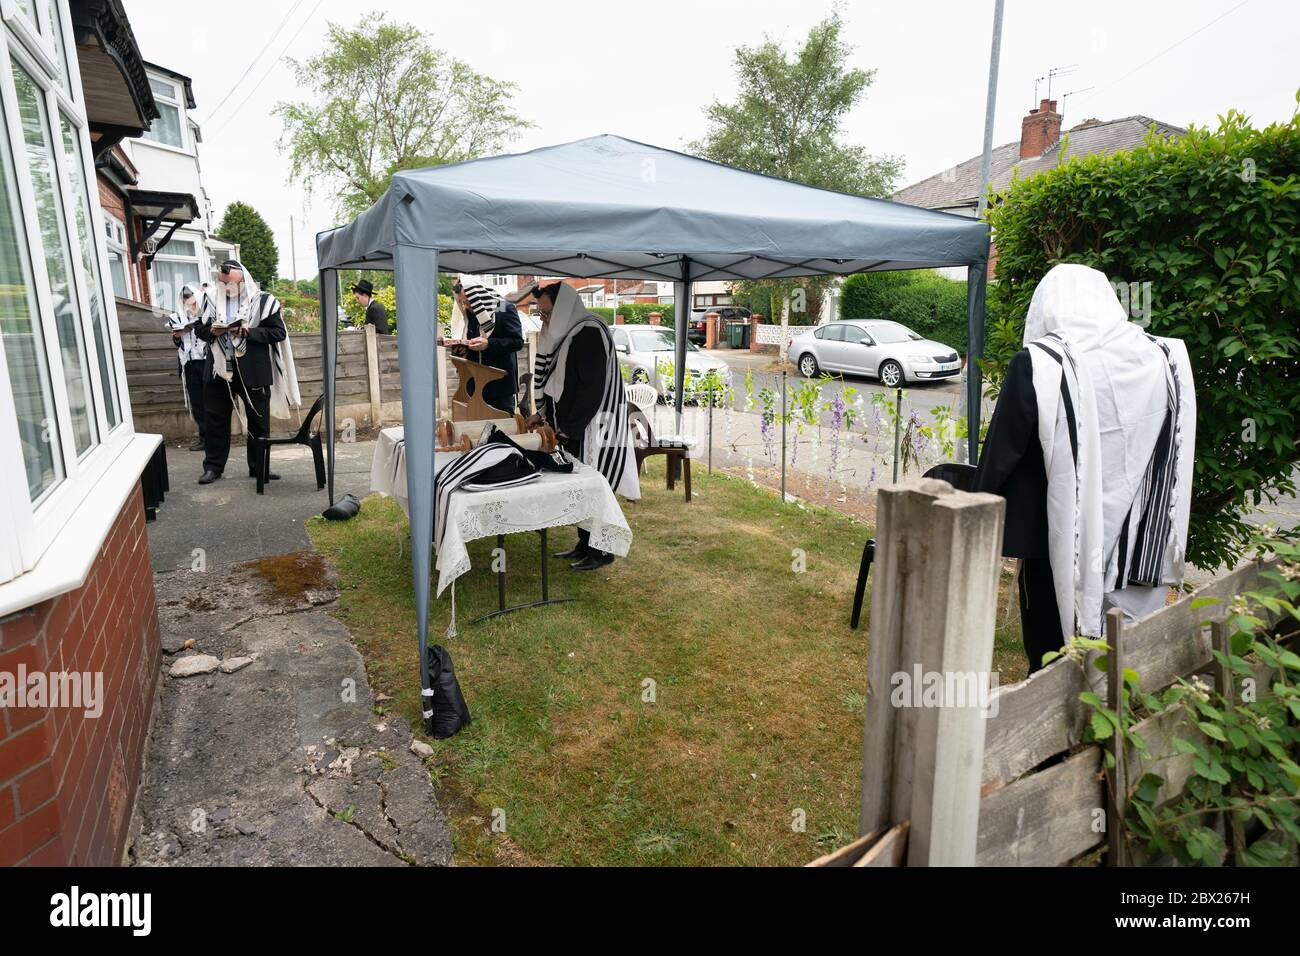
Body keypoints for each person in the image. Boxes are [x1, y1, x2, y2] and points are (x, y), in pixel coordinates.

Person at [975, 263, 1195, 672]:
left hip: (1054, 538)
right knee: (1125, 657)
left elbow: (1000, 456)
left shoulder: (1041, 363)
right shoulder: (1165, 358)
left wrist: (974, 512)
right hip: (1140, 538)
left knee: (1052, 654)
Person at [527, 282, 640, 570]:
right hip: (578, 426)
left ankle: (602, 552)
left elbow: (591, 390)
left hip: (596, 427)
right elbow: (561, 387)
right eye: (541, 314)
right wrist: (548, 419)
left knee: (596, 488)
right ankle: (584, 545)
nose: (545, 320)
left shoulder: (588, 332)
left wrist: (567, 430)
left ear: (564, 307)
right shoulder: (571, 332)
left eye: (548, 313)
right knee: (581, 489)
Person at [194, 259, 300, 484]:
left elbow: (278, 333)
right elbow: (199, 329)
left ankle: (259, 467)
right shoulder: (210, 298)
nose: (228, 289)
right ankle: (213, 467)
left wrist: (248, 332)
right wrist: (212, 331)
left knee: (259, 422)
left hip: (254, 368)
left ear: (244, 280)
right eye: (224, 284)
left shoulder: (264, 301)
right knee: (215, 420)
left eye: (233, 284)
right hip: (218, 369)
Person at [443, 281, 524, 415]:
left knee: (502, 430)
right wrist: (459, 348)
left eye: (470, 302)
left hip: (499, 388)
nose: (467, 306)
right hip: (472, 386)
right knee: (475, 430)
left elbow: (517, 342)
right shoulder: (468, 314)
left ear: (479, 297)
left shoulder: (504, 307)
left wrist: (488, 344)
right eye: (463, 303)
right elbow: (469, 343)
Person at [165, 284, 207, 451]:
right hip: (189, 364)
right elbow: (178, 343)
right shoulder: (178, 317)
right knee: (197, 403)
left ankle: (214, 438)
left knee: (210, 401)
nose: (188, 299)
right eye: (184, 297)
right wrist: (176, 336)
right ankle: (204, 438)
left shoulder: (206, 314)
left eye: (190, 295)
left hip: (206, 362)